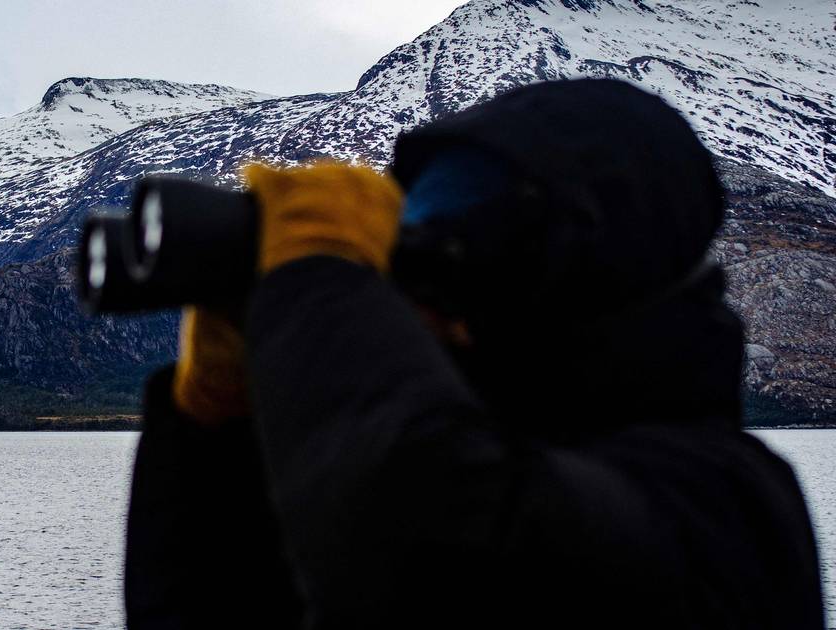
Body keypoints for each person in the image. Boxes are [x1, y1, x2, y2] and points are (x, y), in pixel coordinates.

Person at [122, 78, 825, 629]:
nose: (423, 249)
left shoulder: (729, 507)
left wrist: (321, 279)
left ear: (578, 252)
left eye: (463, 214)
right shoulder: (472, 455)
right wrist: (221, 431)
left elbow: (441, 559)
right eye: (417, 212)